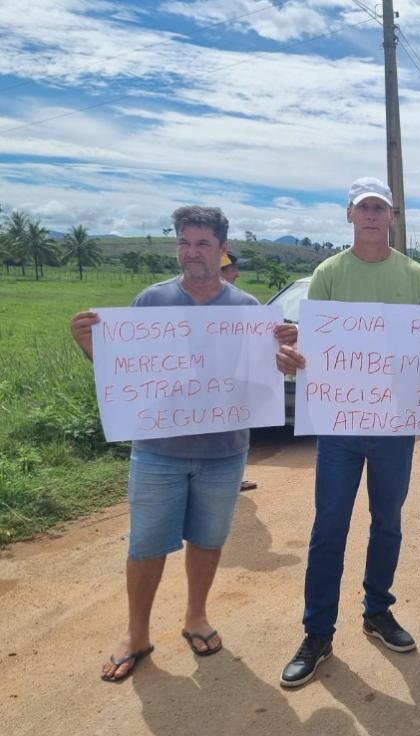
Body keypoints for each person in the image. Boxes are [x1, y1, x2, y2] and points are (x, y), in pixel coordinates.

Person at [69, 206, 295, 682]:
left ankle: (196, 616)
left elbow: (268, 374)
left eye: (203, 244)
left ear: (221, 249)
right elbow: (122, 371)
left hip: (224, 450)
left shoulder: (249, 311)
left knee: (209, 540)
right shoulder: (150, 302)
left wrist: (286, 358)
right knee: (147, 545)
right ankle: (136, 633)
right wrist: (90, 347)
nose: (192, 252)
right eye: (184, 243)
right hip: (157, 450)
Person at [275, 177, 420, 688]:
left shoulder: (415, 275)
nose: (371, 215)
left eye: (380, 208)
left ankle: (377, 611)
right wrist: (291, 352)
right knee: (330, 527)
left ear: (393, 216)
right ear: (349, 215)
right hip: (340, 424)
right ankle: (317, 633)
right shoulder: (328, 272)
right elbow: (312, 344)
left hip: (393, 426)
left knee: (387, 521)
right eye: (363, 207)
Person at [220, 251, 258, 492]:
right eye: (234, 268)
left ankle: (234, 475)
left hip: (235, 382)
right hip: (210, 384)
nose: (238, 273)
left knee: (234, 428)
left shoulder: (245, 303)